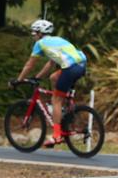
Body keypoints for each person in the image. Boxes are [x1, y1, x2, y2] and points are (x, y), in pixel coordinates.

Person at [15, 20, 88, 148]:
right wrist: (37, 78)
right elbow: (50, 64)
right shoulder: (56, 40)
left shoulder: (40, 44)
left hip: (70, 68)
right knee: (53, 77)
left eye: (34, 33)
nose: (33, 36)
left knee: (56, 100)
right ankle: (65, 109)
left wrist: (19, 79)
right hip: (81, 65)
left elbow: (29, 64)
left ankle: (57, 135)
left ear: (39, 33)